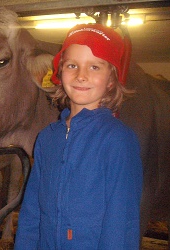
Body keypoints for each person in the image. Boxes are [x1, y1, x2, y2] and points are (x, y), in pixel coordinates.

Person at [15, 23, 143, 249]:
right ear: (60, 72)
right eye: (72, 65)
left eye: (94, 67)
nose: (81, 76)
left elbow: (121, 224)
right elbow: (32, 212)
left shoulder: (118, 140)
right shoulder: (47, 138)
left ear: (111, 80)